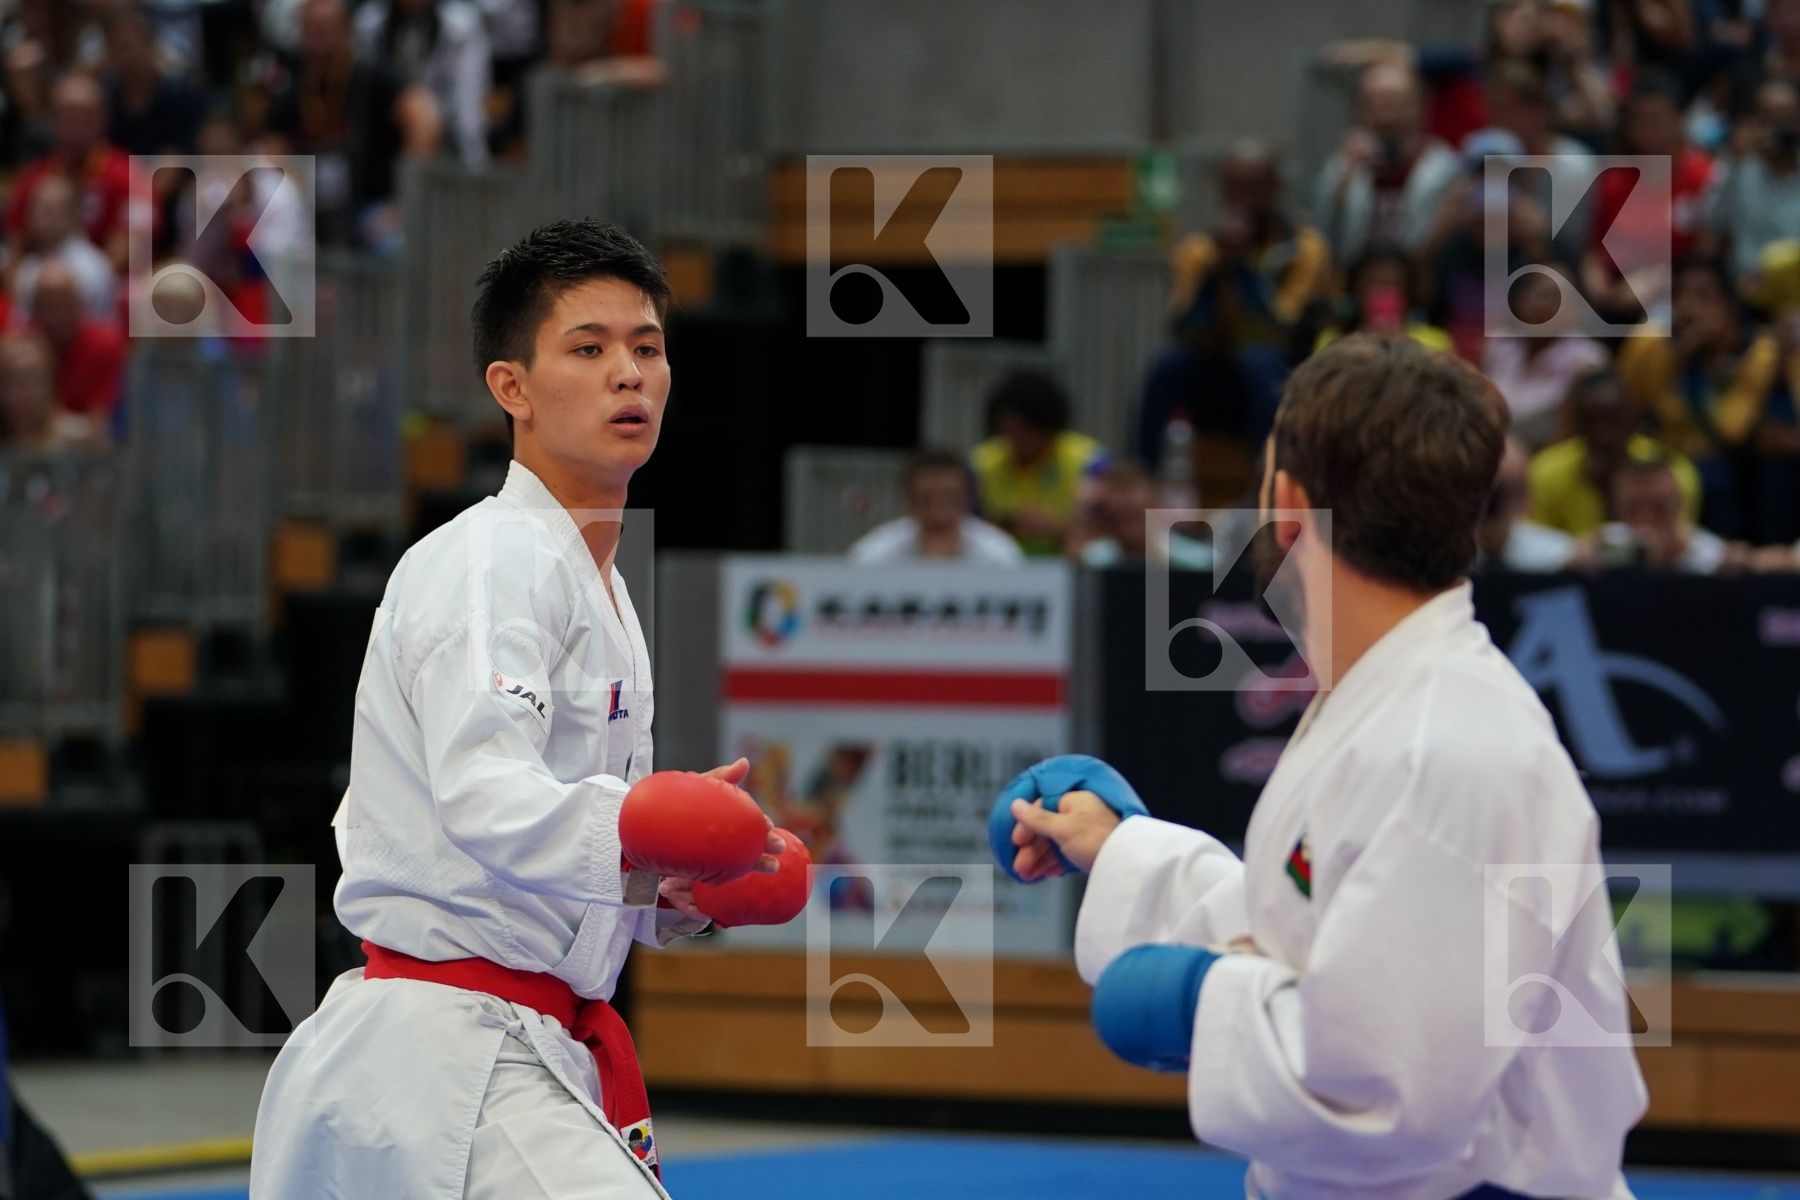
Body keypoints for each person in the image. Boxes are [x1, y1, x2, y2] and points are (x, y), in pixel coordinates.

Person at [987, 335, 1646, 1200]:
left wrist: (1204, 997)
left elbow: (1384, 1092)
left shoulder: (1443, 747)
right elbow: (1316, 934)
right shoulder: (1393, 697)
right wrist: (1125, 852)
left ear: (1288, 504)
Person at [250, 220, 805, 1200]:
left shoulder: (596, 583)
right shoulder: (494, 557)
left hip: (502, 1050)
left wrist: (668, 884)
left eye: (647, 347)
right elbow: (483, 794)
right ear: (512, 388)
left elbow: (541, 849)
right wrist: (638, 824)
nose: (627, 373)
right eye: (587, 349)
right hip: (445, 1059)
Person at [1139, 140, 1332, 458]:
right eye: (1234, 187)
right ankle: (1144, 471)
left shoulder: (1305, 248)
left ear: (1273, 189)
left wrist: (1240, 270)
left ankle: (1269, 471)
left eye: (1254, 188)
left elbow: (1280, 329)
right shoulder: (1197, 250)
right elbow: (1183, 326)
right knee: (1166, 365)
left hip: (1281, 370)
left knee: (1257, 359)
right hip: (1216, 367)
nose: (1243, 199)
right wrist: (1218, 273)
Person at [1312, 62, 1461, 266]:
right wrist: (1346, 175)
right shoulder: (1342, 164)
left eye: (1394, 100)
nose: (1384, 109)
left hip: (1421, 281)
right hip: (1355, 280)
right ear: (1360, 109)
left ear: (1417, 105)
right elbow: (1323, 235)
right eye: (1373, 100)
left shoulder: (1444, 167)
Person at [1528, 368, 1701, 536]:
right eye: (1591, 421)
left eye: (1613, 421)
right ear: (1576, 423)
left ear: (1633, 418)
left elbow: (1675, 541)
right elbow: (1534, 544)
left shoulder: (1673, 472)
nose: (1604, 435)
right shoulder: (1545, 472)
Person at [3, 73, 142, 273]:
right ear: (52, 121)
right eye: (66, 116)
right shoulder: (33, 178)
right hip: (40, 288)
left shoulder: (129, 177)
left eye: (84, 117)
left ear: (103, 119)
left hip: (104, 289)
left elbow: (129, 248)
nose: (75, 126)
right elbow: (15, 250)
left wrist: (78, 290)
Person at [970, 369, 1106, 558]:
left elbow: (1109, 532)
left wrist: (1055, 529)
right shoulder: (980, 464)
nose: (1017, 438)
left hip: (1068, 568)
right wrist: (1004, 528)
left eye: (1026, 430)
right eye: (1008, 429)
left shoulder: (1090, 461)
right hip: (999, 569)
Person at [352, 0, 493, 167]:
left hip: (444, 132)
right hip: (379, 127)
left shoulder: (461, 26)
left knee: (423, 111)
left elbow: (469, 104)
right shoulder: (368, 23)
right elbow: (359, 87)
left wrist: (476, 162)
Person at [1482, 266, 1608, 450]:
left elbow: (1569, 432)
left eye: (1557, 298)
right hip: (1490, 445)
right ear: (1520, 302)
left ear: (1576, 309)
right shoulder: (1499, 344)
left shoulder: (1587, 361)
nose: (1543, 305)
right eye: (1538, 295)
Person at [848, 448, 1023, 566]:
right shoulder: (874, 555)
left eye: (950, 497)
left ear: (968, 499)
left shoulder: (999, 554)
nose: (939, 509)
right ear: (908, 500)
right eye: (927, 498)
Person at [1580, 455, 1737, 573]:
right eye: (1633, 510)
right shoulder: (1603, 545)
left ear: (1680, 504)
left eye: (1659, 509)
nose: (1646, 520)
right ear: (1617, 508)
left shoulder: (1711, 556)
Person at [6, 174, 116, 322]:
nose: (40, 215)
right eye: (36, 206)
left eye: (50, 209)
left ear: (74, 214)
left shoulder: (91, 267)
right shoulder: (28, 265)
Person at [27, 261, 126, 424]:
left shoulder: (106, 345)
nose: (57, 314)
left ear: (80, 303)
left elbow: (100, 425)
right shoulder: (21, 352)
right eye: (49, 304)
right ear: (35, 309)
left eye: (65, 303)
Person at [1477, 435, 1578, 571]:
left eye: (1512, 492)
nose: (1498, 507)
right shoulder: (1448, 561)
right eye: (1493, 495)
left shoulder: (1562, 556)